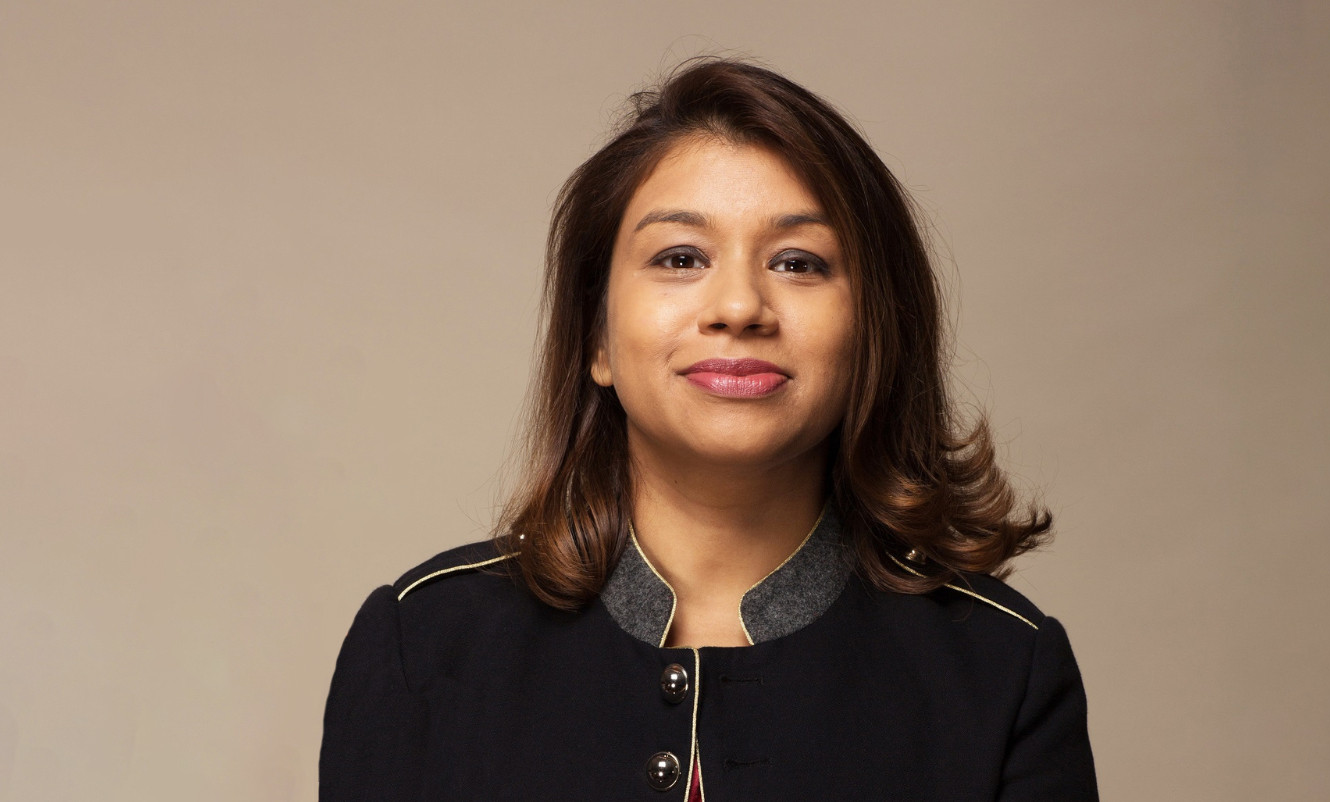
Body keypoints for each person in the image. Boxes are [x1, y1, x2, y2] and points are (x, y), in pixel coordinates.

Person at [320, 57, 1097, 801]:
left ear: (874, 333)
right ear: (595, 337)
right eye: (681, 257)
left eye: (798, 262)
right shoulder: (422, 643)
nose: (739, 307)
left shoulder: (1004, 670)